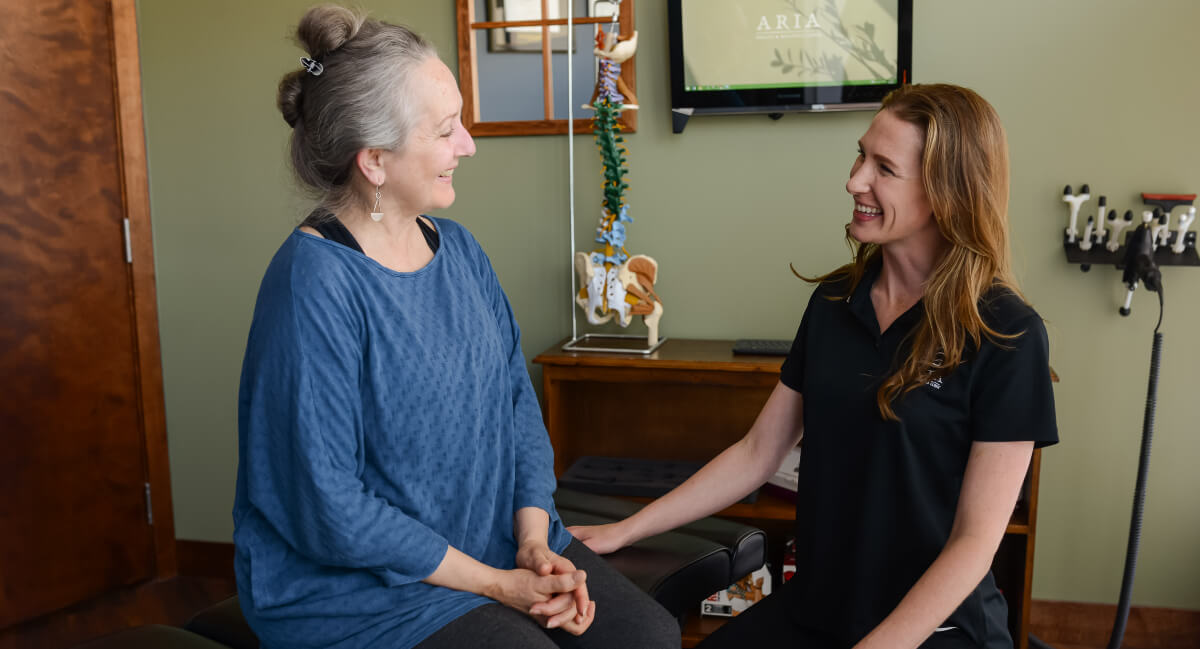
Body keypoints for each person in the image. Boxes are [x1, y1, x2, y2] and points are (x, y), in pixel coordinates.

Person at [232, 6, 679, 649]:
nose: (468, 144)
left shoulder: (460, 250)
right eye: (446, 131)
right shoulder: (315, 283)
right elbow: (328, 505)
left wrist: (530, 543)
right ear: (375, 161)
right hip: (364, 590)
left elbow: (516, 406)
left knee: (647, 638)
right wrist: (498, 585)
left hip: (495, 539)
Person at [571, 83, 1059, 649]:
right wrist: (626, 529)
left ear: (947, 190)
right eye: (860, 155)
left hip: (933, 629)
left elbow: (976, 541)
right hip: (818, 611)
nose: (855, 180)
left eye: (884, 168)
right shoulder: (834, 302)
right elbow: (758, 454)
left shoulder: (1006, 333)